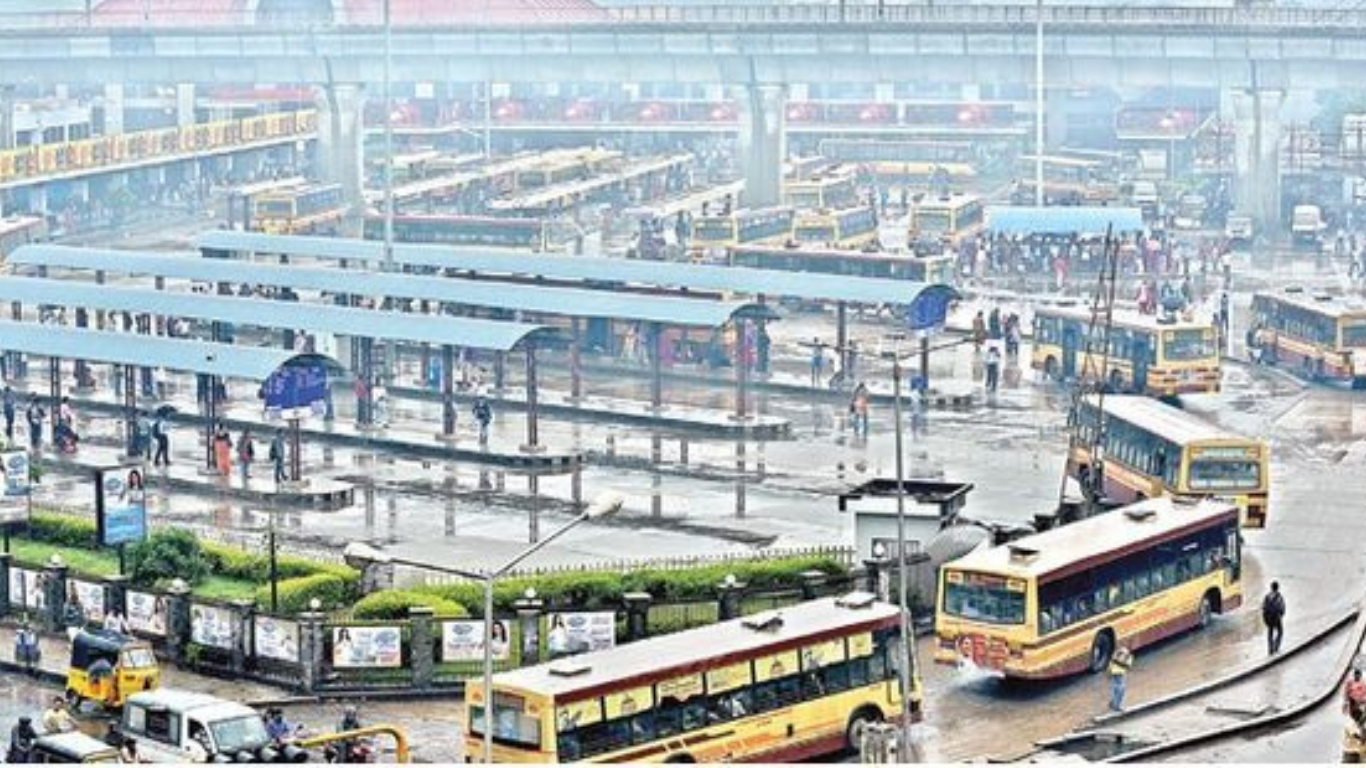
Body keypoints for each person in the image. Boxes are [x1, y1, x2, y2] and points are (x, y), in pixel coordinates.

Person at [1263, 581, 1286, 655]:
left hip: (1269, 618)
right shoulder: (1279, 596)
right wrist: (1281, 615)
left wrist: (1265, 619)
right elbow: (1282, 608)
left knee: (1270, 633)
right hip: (1277, 618)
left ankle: (1270, 649)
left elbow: (1264, 607)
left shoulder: (1267, 596)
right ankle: (1276, 646)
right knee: (1280, 632)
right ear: (1278, 588)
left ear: (1271, 588)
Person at [1108, 644, 1134, 712]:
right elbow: (1128, 666)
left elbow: (1111, 662)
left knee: (1115, 688)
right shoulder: (1128, 655)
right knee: (1121, 690)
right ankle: (1118, 706)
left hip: (1114, 672)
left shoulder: (1117, 653)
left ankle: (1113, 702)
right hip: (1120, 673)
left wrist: (1109, 671)